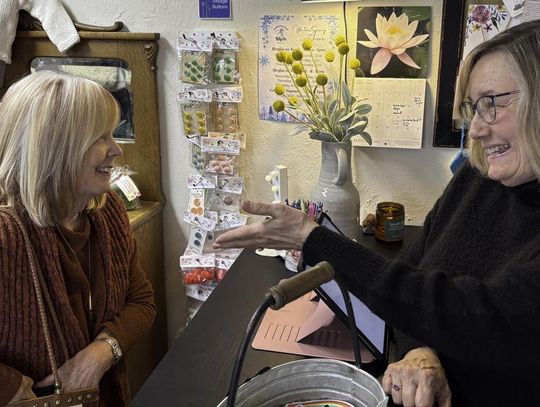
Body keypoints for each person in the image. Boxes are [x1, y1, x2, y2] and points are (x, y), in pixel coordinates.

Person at [214, 20, 540, 407]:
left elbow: (478, 319)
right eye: (473, 108)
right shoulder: (478, 177)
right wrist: (423, 351)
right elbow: (416, 282)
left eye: (492, 103)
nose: (476, 132)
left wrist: (313, 239)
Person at [0, 71, 156, 406]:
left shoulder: (106, 210)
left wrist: (99, 355)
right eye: (101, 137)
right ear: (55, 147)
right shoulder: (5, 235)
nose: (116, 150)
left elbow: (141, 301)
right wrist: (10, 386)